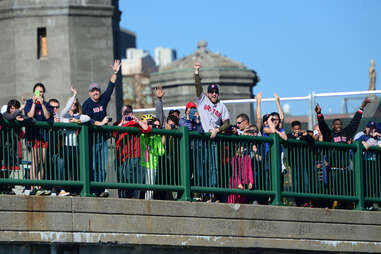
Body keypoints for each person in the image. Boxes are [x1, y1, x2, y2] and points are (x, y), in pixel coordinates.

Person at [82, 59, 121, 197]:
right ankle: (94, 189)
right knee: (93, 166)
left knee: (102, 167)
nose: (95, 93)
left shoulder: (103, 99)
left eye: (97, 90)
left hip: (102, 139)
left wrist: (115, 72)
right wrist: (100, 123)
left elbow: (111, 86)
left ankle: (100, 189)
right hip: (92, 139)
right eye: (93, 91)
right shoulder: (86, 104)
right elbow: (86, 119)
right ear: (89, 93)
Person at [194, 62, 230, 202]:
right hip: (201, 138)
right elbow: (198, 86)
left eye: (216, 92)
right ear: (208, 93)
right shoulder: (203, 100)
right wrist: (196, 72)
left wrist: (217, 129)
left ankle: (212, 193)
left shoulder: (221, 106)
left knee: (213, 167)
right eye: (212, 92)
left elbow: (227, 123)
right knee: (200, 168)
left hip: (213, 138)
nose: (214, 94)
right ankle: (204, 193)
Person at [59, 86, 91, 196]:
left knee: (75, 169)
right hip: (66, 146)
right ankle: (66, 189)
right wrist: (74, 96)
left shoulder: (79, 116)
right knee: (66, 168)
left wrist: (76, 120)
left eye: (75, 104)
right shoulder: (64, 115)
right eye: (73, 104)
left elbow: (87, 118)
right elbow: (64, 114)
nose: (73, 105)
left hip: (76, 147)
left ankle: (76, 190)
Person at [113, 108, 151, 199]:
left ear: (131, 113)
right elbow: (113, 134)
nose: (127, 114)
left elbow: (147, 129)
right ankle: (123, 198)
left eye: (128, 112)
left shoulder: (134, 123)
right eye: (124, 112)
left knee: (126, 174)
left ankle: (131, 195)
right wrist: (122, 123)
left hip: (133, 155)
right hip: (120, 156)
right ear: (121, 113)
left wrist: (137, 120)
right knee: (121, 179)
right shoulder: (117, 124)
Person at [24, 83, 52, 195]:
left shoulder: (46, 104)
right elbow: (30, 115)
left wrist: (42, 104)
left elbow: (47, 116)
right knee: (35, 161)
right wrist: (35, 103)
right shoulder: (30, 103)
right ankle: (33, 186)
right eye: (37, 91)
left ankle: (39, 186)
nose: (39, 93)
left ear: (43, 93)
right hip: (33, 137)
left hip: (43, 137)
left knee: (42, 162)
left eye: (41, 91)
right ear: (33, 92)